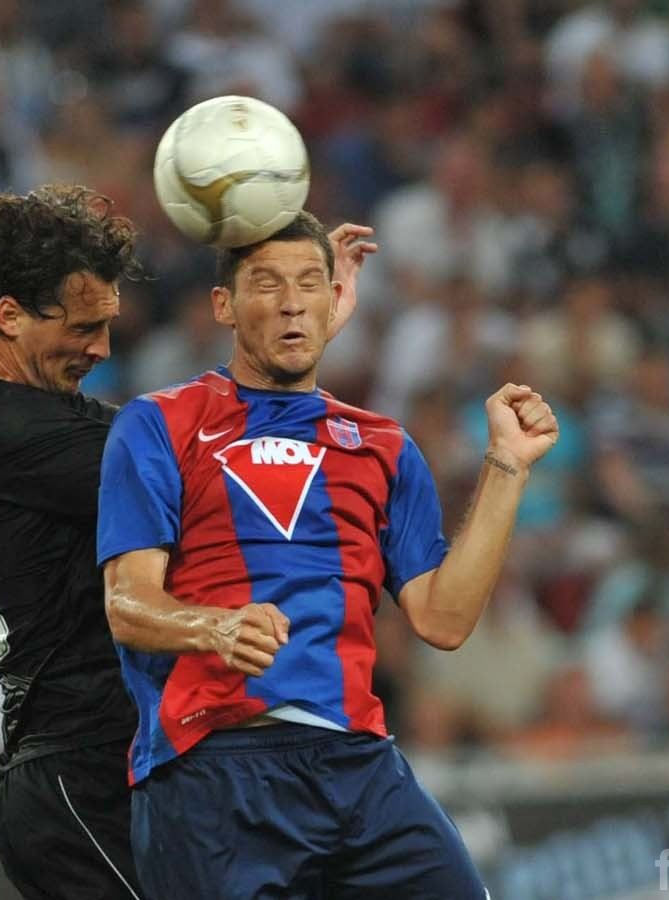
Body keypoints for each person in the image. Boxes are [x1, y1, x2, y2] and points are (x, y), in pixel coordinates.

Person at [0, 184, 372, 900]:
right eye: (83, 327)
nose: (101, 349)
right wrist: (289, 341)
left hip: (122, 760)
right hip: (79, 778)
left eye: (108, 325)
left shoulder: (11, 414)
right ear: (9, 316)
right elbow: (209, 462)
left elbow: (190, 437)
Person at [97, 211, 559, 898]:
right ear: (223, 305)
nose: (292, 302)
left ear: (335, 300)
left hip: (358, 765)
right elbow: (127, 604)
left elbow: (444, 619)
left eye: (309, 283)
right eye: (267, 284)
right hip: (213, 766)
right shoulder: (158, 423)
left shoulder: (383, 445)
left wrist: (508, 466)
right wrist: (213, 626)